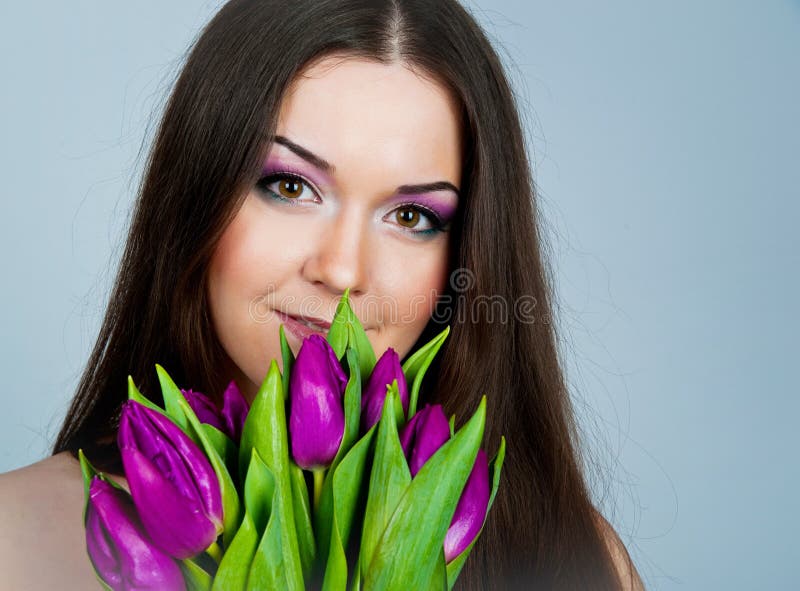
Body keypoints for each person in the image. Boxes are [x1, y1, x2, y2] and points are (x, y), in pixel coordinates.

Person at [0, 1, 644, 589]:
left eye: (412, 216)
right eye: (289, 187)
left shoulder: (576, 559)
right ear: (197, 193)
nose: (341, 270)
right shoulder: (17, 540)